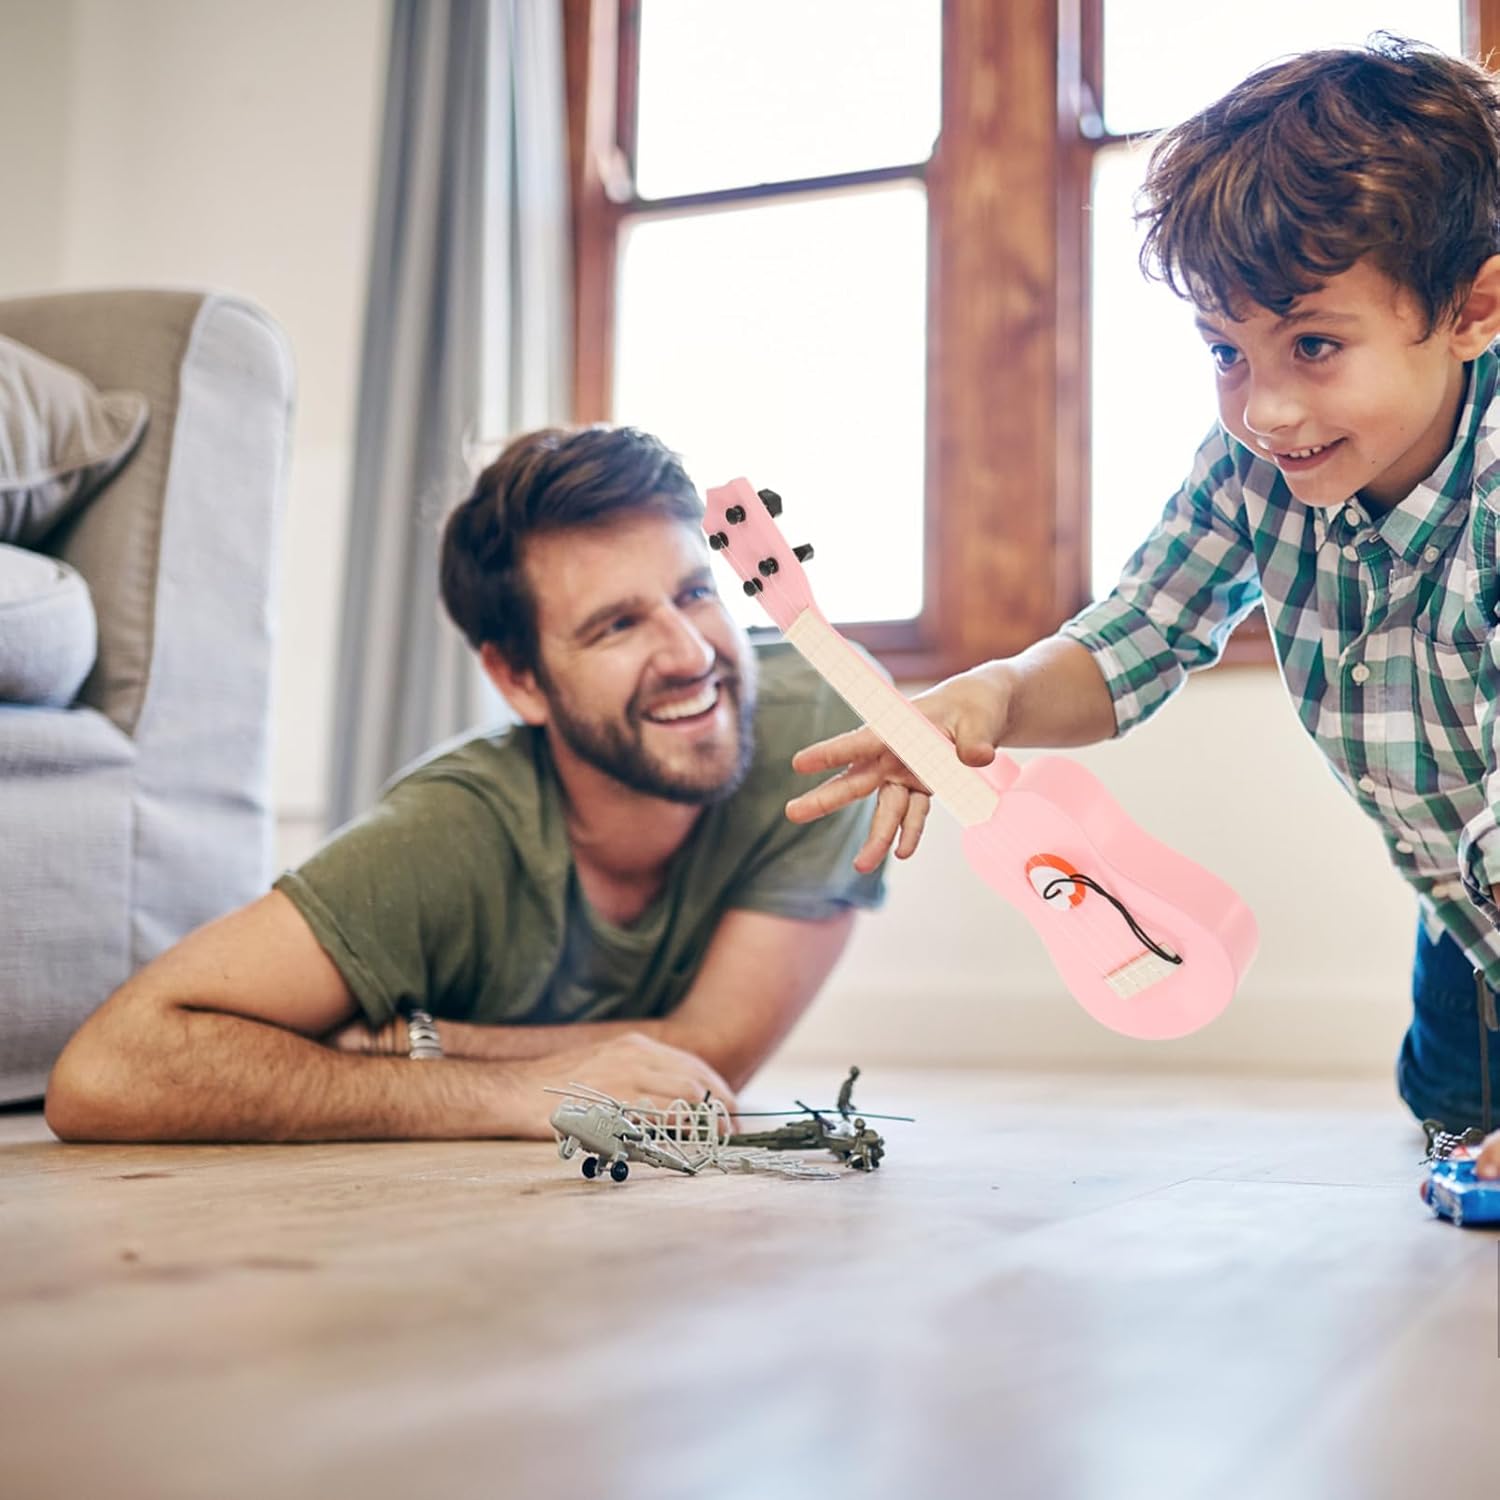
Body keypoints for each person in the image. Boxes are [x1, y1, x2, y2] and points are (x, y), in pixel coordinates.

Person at [785, 37, 1500, 1178]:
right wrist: (993, 695)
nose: (1265, 409)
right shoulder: (1256, 469)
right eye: (1227, 352)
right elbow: (1137, 637)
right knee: (1452, 1121)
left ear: (1473, 310)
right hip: (1467, 910)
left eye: (1315, 345)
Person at [45, 426, 885, 1142]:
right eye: (618, 625)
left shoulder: (823, 732)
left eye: (695, 593)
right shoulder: (448, 834)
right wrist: (506, 1093)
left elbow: (711, 1055)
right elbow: (105, 1071)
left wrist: (418, 1043)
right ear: (519, 680)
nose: (691, 654)